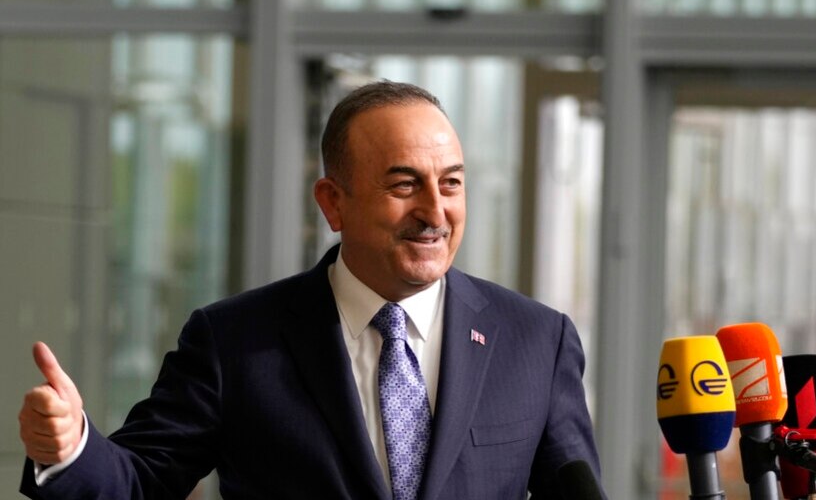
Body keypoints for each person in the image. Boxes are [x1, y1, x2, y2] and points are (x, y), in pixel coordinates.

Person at [18, 81, 602, 499]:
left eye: (450, 183)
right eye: (405, 184)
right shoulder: (234, 342)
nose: (435, 211)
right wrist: (70, 449)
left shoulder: (535, 341)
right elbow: (142, 481)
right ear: (332, 202)